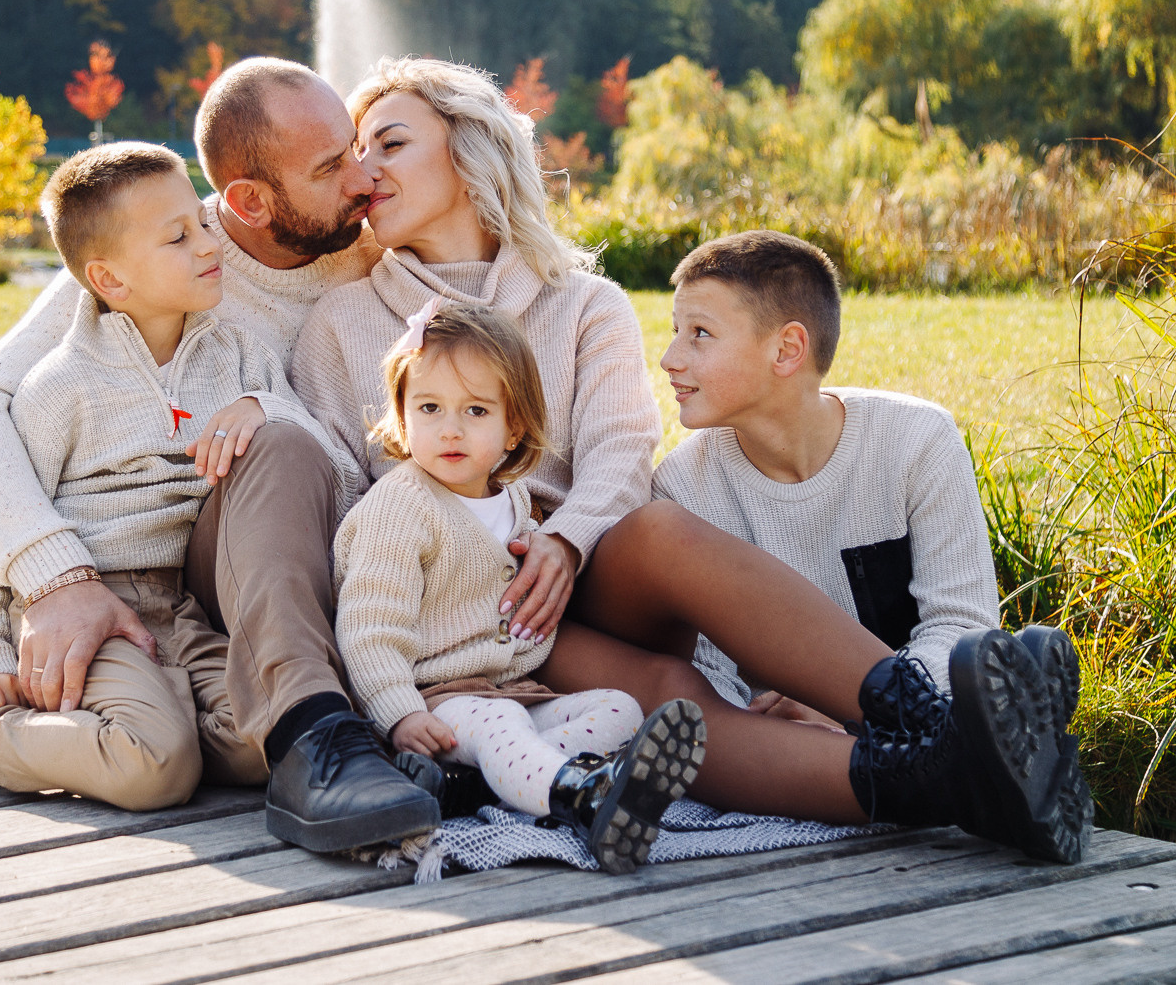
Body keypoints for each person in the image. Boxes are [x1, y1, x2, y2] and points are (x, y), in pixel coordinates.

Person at [294, 56, 1090, 863]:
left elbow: (622, 450)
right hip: (456, 605)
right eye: (357, 152)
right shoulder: (341, 320)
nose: (364, 170)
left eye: (388, 143)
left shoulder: (582, 300)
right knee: (672, 697)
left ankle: (934, 715)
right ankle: (951, 778)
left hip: (580, 571)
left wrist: (566, 539)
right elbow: (341, 490)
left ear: (470, 150)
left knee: (662, 531)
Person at [0, 147, 434, 832]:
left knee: (260, 739)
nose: (206, 242)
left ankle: (146, 719)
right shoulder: (60, 386)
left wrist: (268, 408)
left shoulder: (241, 358)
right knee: (156, 766)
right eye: (178, 236)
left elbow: (328, 480)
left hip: (191, 608)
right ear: (109, 278)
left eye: (200, 222)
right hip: (102, 607)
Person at [334, 299, 704, 874]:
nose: (450, 428)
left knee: (620, 707)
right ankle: (578, 797)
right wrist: (400, 714)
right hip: (437, 702)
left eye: (476, 411)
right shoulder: (400, 508)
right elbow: (369, 631)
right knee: (502, 727)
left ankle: (489, 783)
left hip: (512, 692)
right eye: (429, 407)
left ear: (515, 428)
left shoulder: (511, 501)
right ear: (403, 419)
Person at [653, 230, 1017, 717]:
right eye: (675, 331)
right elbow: (709, 676)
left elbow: (961, 627)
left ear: (786, 349)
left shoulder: (916, 440)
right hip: (780, 753)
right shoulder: (681, 489)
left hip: (920, 722)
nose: (669, 358)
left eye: (698, 333)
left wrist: (857, 712)